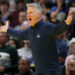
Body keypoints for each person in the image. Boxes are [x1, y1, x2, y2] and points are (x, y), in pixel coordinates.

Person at [0, 3, 73, 75]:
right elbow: (20, 34)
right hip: (39, 71)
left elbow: (59, 29)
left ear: (39, 15)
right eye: (27, 13)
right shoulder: (30, 30)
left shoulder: (47, 27)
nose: (28, 15)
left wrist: (68, 20)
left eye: (31, 13)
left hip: (52, 71)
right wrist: (7, 30)